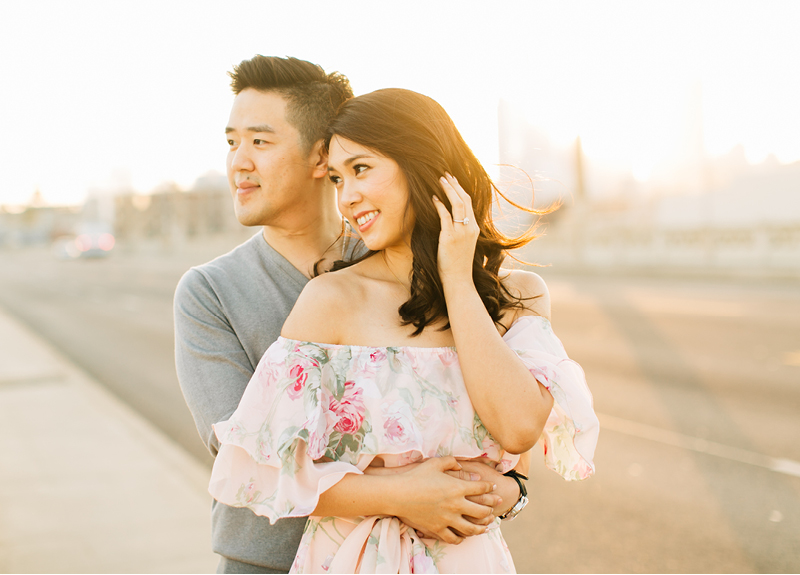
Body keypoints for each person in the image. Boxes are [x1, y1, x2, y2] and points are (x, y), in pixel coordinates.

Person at [207, 88, 600, 573]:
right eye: (336, 178)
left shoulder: (516, 296)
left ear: (425, 166)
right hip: (352, 560)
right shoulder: (331, 301)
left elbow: (518, 429)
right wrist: (403, 495)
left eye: (361, 169)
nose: (347, 198)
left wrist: (456, 281)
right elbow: (255, 473)